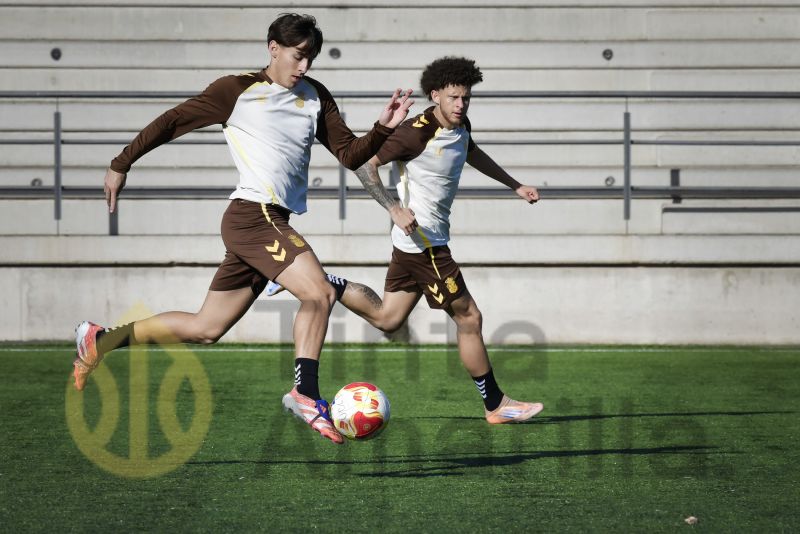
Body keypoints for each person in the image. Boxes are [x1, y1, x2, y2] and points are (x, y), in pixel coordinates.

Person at [71, 13, 414, 445]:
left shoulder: (315, 96)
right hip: (254, 216)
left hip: (272, 222)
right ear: (273, 47)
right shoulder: (235, 90)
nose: (304, 66)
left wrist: (383, 126)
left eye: (310, 58)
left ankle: (101, 339)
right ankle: (305, 393)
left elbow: (349, 153)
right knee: (320, 292)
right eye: (298, 55)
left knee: (207, 328)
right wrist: (121, 163)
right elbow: (172, 121)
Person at [275, 56, 544, 423]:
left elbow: (470, 151)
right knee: (469, 317)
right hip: (426, 244)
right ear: (435, 95)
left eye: (465, 98)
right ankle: (496, 404)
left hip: (414, 246)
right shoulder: (415, 131)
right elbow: (364, 165)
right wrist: (393, 207)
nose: (460, 105)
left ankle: (324, 284)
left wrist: (515, 185)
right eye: (453, 98)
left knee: (388, 319)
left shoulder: (460, 123)